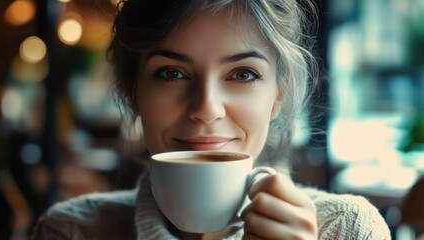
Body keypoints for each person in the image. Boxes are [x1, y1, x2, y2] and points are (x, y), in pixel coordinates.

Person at [31, 0, 391, 239]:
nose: (206, 108)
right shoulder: (70, 231)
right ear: (133, 92)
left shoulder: (349, 229)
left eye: (243, 74)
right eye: (171, 73)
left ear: (277, 97)